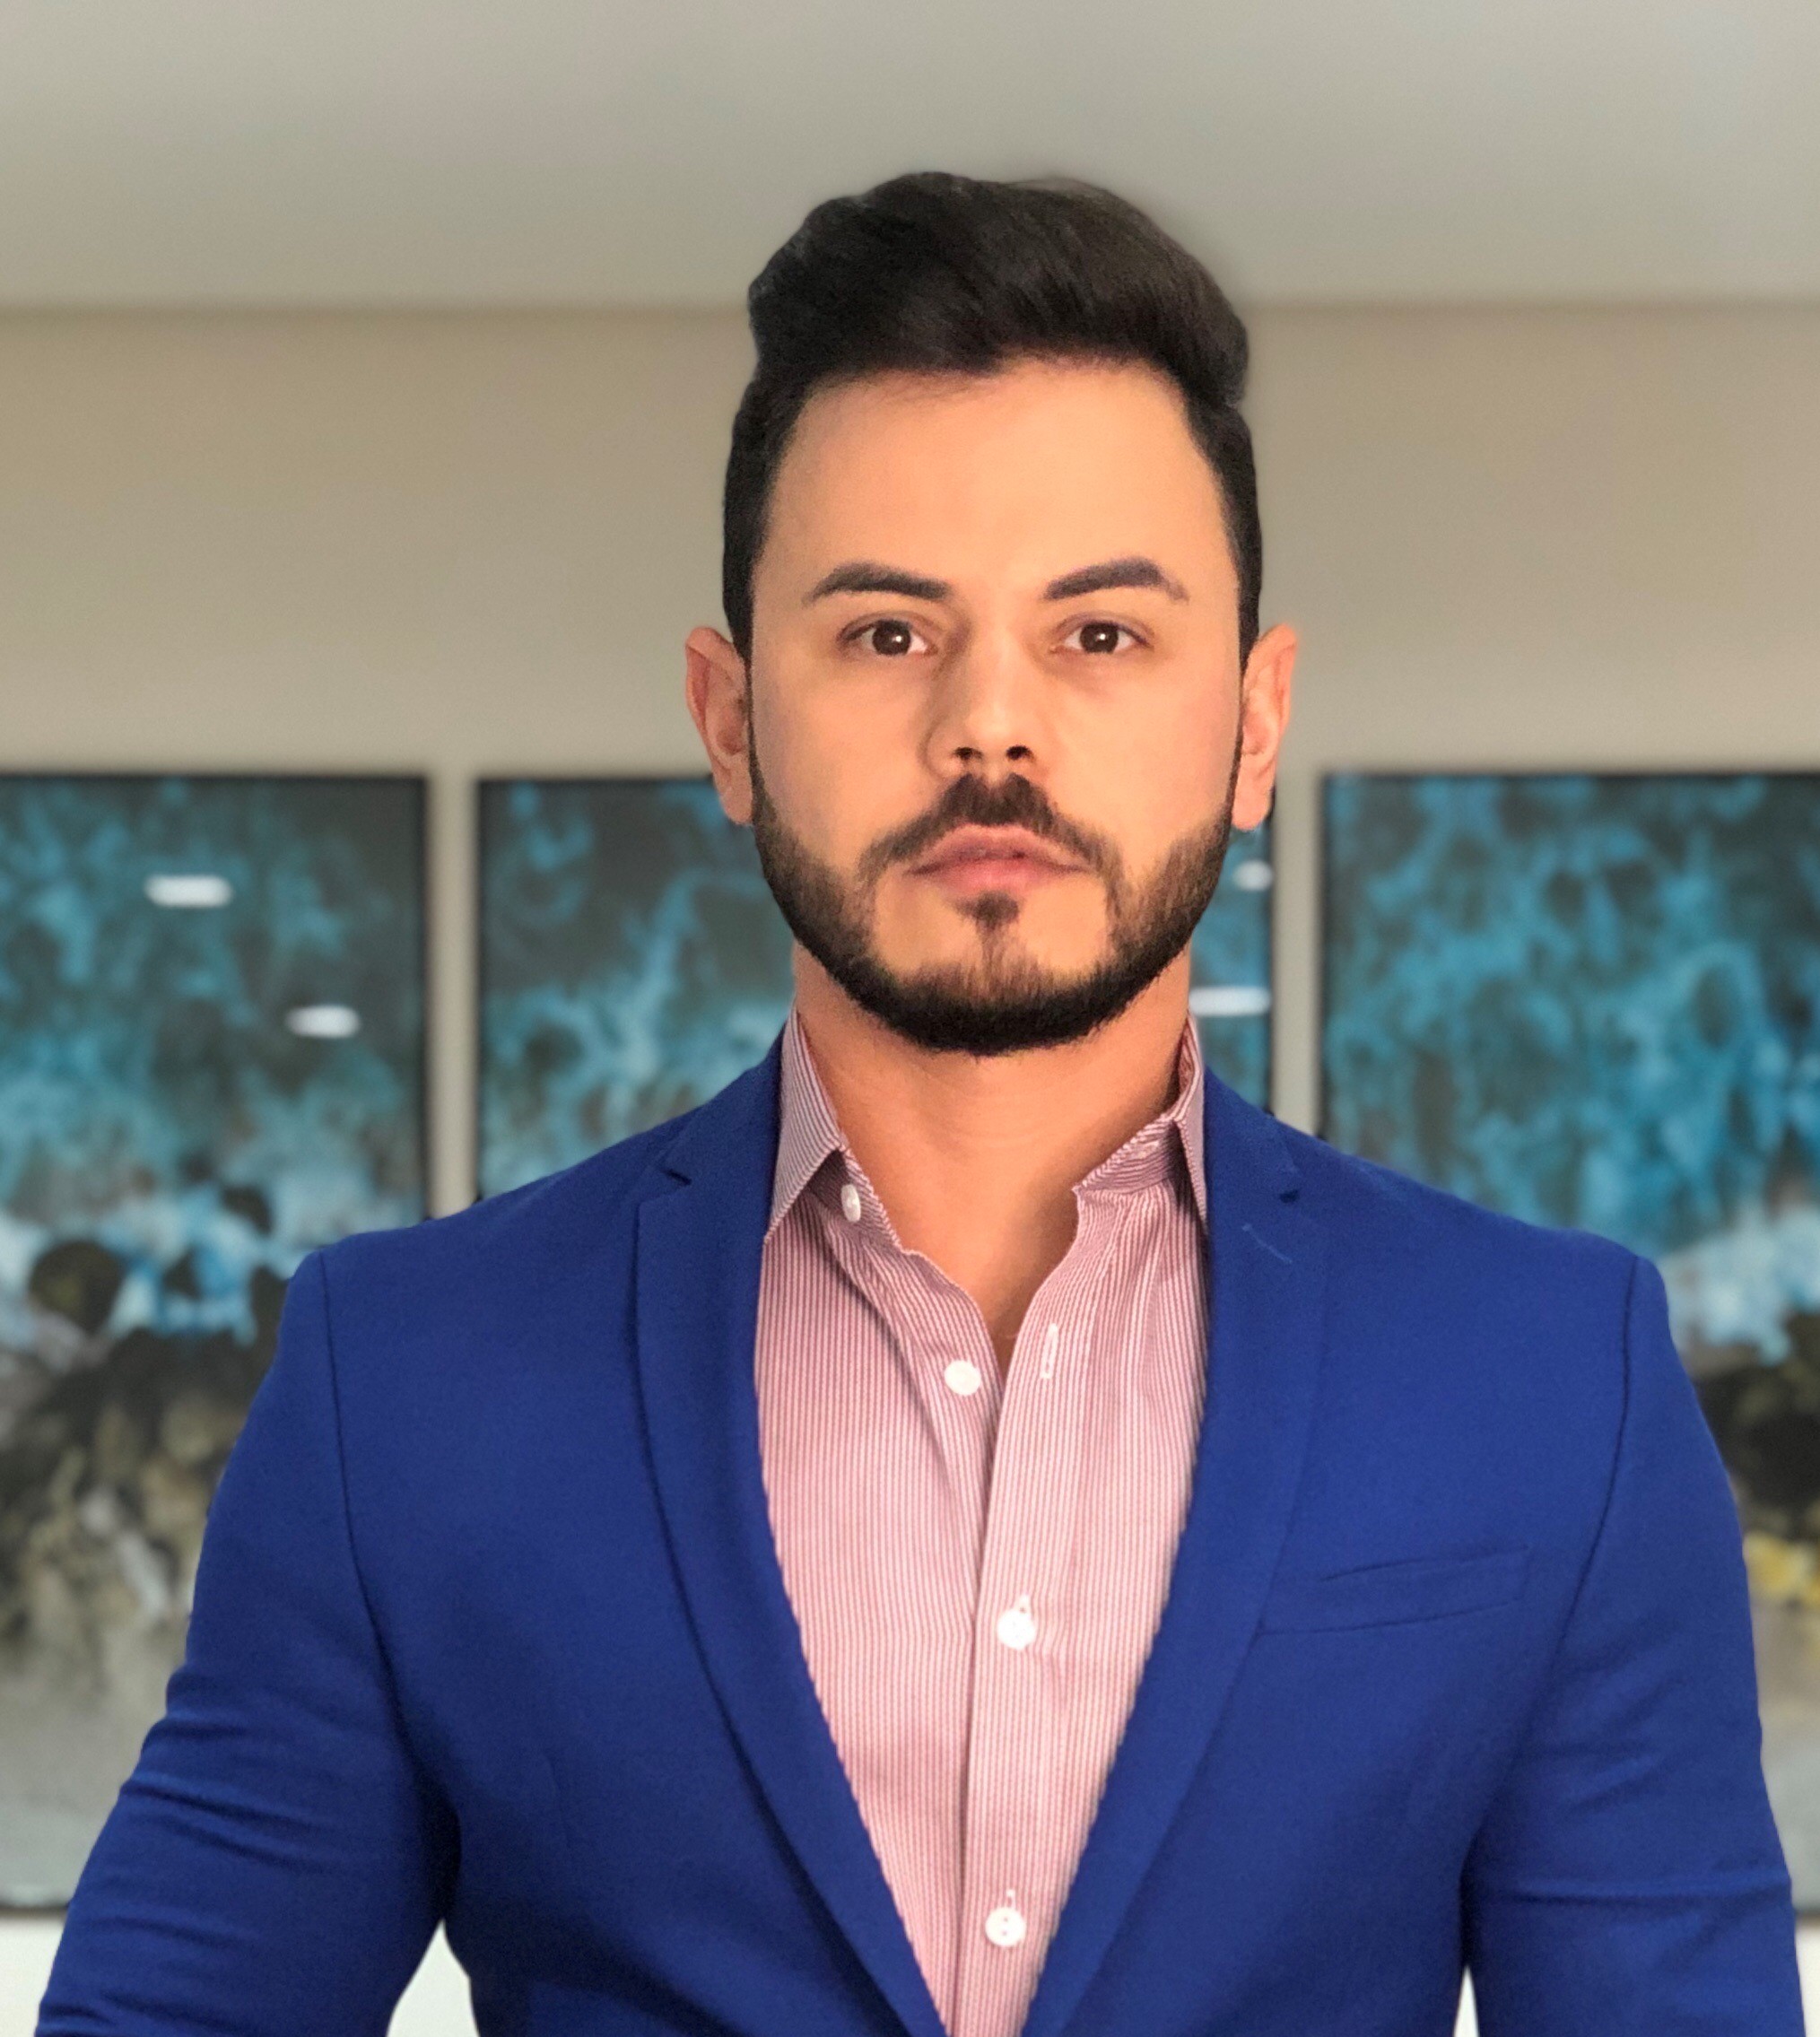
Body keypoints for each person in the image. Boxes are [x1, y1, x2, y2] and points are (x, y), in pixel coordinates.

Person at [39, 172, 1801, 2037]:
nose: (989, 728)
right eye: (886, 632)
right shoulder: (399, 1377)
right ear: (729, 719)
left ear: (1255, 720)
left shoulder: (1555, 1377)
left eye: (1099, 636)